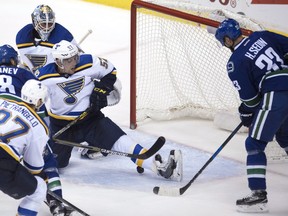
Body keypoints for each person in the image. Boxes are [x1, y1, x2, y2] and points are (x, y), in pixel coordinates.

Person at [36, 40, 183, 181]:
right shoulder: (43, 77)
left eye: (75, 57)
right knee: (57, 164)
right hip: (62, 127)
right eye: (69, 60)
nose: (74, 62)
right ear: (58, 62)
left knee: (120, 141)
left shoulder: (88, 62)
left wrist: (101, 90)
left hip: (90, 119)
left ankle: (160, 166)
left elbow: (111, 72)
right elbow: (34, 100)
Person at [215, 18, 288, 212]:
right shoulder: (260, 35)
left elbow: (252, 100)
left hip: (276, 94)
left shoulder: (235, 62)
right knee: (285, 137)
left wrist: (245, 114)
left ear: (228, 40)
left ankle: (258, 197)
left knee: (254, 143)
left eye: (224, 42)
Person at [0, 44, 75, 215]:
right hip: (21, 125)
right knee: (46, 161)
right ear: (13, 60)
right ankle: (56, 202)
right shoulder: (24, 74)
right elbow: (34, 167)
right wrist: (45, 134)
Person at [0, 78, 48, 215]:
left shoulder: (3, 101)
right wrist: (41, 178)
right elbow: (34, 167)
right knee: (38, 189)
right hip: (3, 161)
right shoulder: (39, 126)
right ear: (39, 101)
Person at [16, 4, 81, 74]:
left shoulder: (63, 34)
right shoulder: (23, 36)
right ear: (35, 22)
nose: (47, 28)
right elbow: (26, 62)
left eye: (49, 23)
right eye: (44, 23)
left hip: (55, 78)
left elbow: (79, 57)